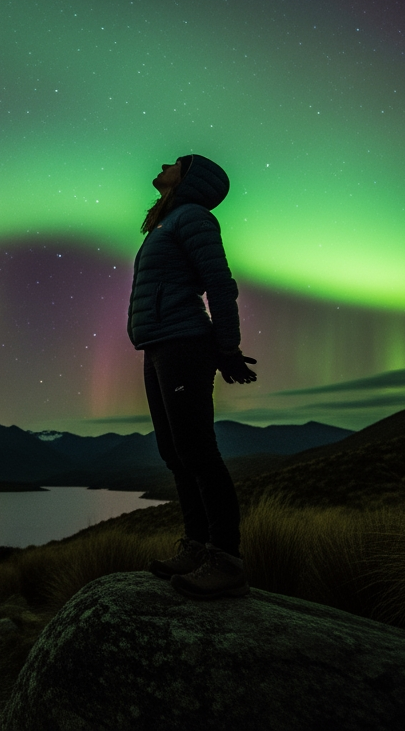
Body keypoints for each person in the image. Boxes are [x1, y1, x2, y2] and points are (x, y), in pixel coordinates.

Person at [127, 154, 257, 599]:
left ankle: (225, 559)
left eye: (176, 162)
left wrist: (227, 347)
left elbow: (220, 283)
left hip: (184, 344)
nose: (165, 163)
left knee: (197, 451)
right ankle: (197, 546)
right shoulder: (166, 222)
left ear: (190, 177)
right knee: (174, 452)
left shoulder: (193, 217)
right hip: (160, 345)